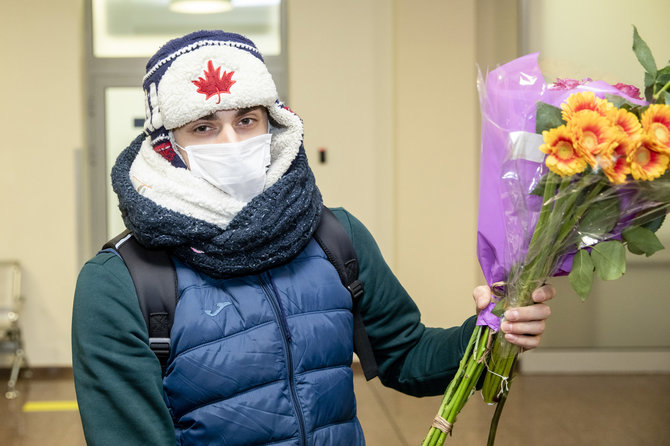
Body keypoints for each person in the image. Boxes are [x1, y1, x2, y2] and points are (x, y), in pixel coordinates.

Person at [72, 30, 553, 446]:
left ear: (273, 122)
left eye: (246, 120)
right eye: (204, 127)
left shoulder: (333, 236)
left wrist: (492, 330)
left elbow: (407, 358)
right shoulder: (119, 283)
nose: (233, 143)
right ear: (166, 147)